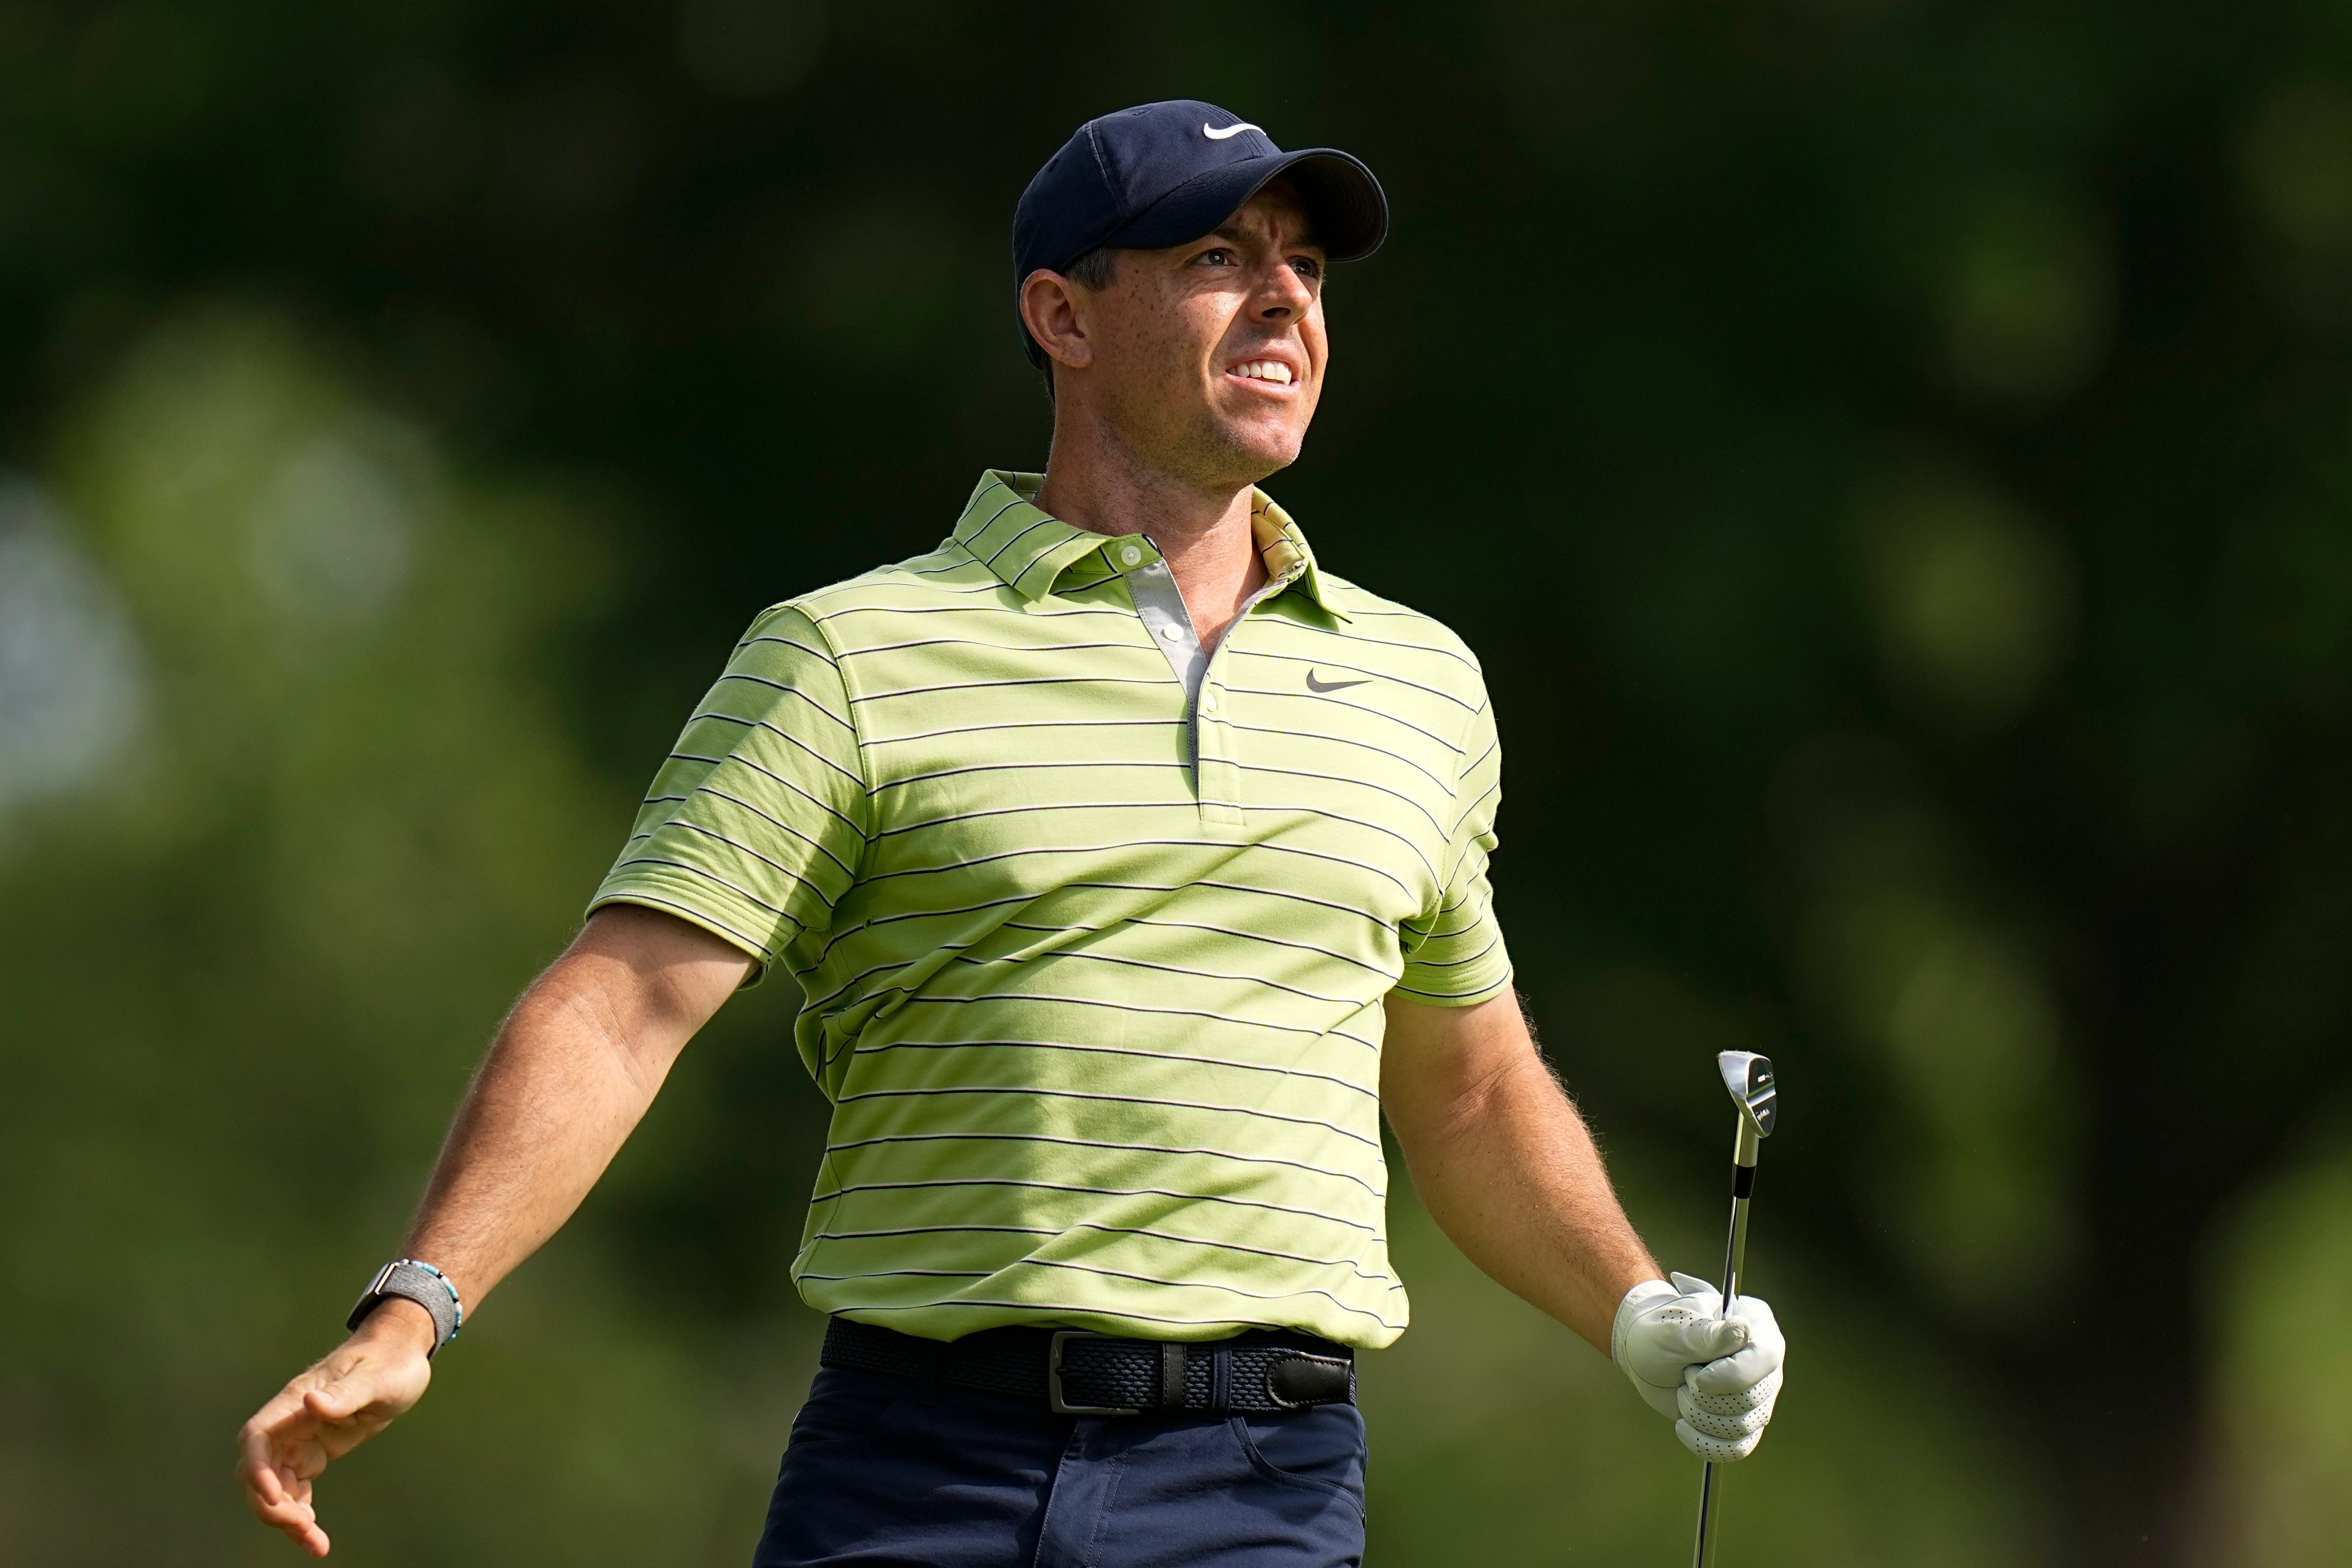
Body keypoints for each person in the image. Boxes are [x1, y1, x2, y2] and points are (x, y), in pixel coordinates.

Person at [235, 99, 1787, 1566]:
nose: (1283, 305)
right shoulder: (851, 654)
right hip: (920, 1462)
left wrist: (1641, 1313)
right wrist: (414, 1308)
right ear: (1062, 317)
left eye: (1303, 267)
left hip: (1262, 1482)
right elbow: (625, 1005)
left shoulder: (1418, 682)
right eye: (1215, 261)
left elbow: (1465, 1090)